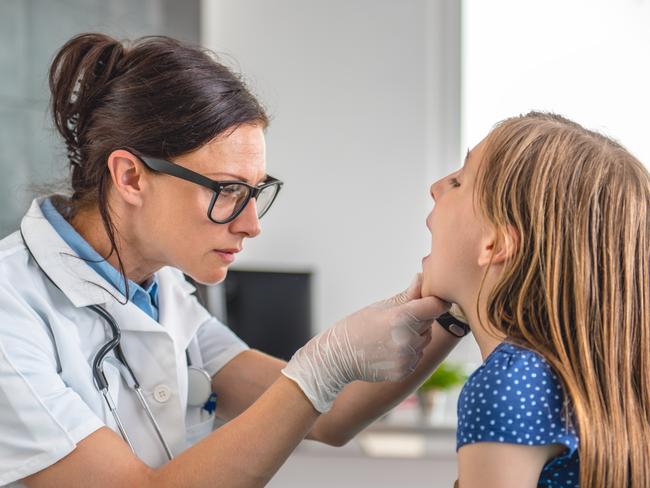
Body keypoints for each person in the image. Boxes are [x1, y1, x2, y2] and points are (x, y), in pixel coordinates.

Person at [0, 33, 466, 487]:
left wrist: (448, 310)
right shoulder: (12, 307)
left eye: (255, 191)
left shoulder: (161, 293)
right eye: (227, 190)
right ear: (130, 177)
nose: (251, 224)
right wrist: (319, 367)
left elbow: (333, 417)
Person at [421, 111, 650, 487]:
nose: (436, 186)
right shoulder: (572, 375)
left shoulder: (509, 382)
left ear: (495, 244)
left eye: (459, 181)